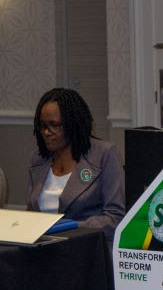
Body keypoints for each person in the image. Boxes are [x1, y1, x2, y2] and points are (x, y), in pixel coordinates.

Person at [27, 87, 125, 242]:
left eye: (54, 125)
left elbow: (115, 217)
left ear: (73, 124)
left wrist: (69, 228)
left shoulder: (104, 154)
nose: (46, 132)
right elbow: (31, 213)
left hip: (85, 246)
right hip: (43, 247)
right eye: (43, 125)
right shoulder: (39, 159)